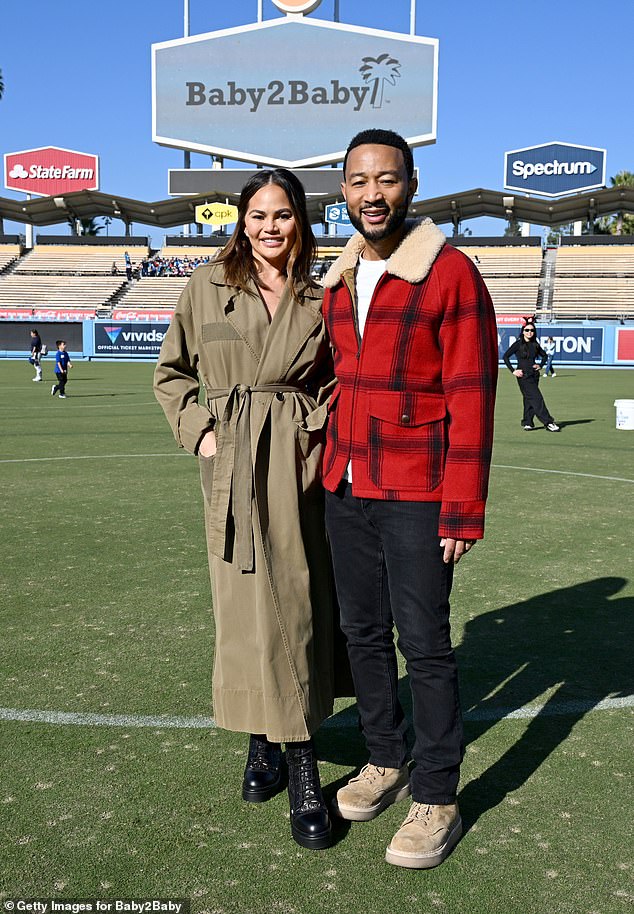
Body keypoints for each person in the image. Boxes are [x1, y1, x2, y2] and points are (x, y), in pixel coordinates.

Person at [320, 129, 499, 869]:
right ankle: (385, 758)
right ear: (343, 193)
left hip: (421, 489)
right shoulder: (335, 278)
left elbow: (472, 394)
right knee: (361, 633)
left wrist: (462, 506)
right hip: (347, 483)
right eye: (359, 181)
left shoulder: (451, 272)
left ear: (412, 185)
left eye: (386, 179)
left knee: (423, 642)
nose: (372, 194)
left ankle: (437, 794)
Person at [154, 168, 343, 851]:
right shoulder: (206, 286)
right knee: (246, 609)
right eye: (258, 214)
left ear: (301, 221)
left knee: (293, 608)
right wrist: (202, 434)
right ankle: (277, 754)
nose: (270, 226)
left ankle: (288, 760)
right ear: (241, 221)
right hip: (232, 463)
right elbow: (171, 372)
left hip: (300, 468)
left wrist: (315, 429)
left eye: (283, 214)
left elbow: (339, 377)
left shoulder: (324, 292)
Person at [503, 324, 560, 431]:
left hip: (534, 375)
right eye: (527, 330)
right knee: (537, 398)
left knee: (529, 399)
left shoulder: (535, 344)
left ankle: (527, 422)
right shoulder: (518, 344)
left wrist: (540, 365)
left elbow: (545, 356)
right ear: (523, 331)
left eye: (532, 330)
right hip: (523, 376)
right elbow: (505, 356)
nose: (529, 332)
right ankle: (548, 422)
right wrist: (513, 371)